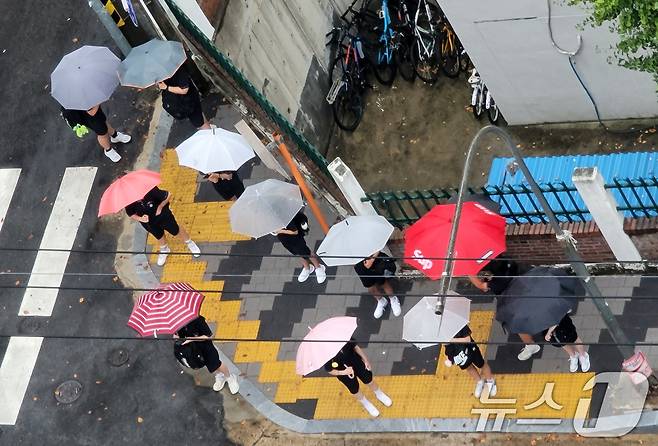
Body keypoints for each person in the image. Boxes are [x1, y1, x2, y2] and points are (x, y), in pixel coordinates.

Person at [469, 255, 541, 362]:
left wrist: (470, 274)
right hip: (521, 288)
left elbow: (482, 287)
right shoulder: (504, 262)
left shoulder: (496, 282)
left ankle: (531, 345)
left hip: (511, 300)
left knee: (516, 323)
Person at [125, 186, 201, 266]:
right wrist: (140, 218)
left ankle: (189, 242)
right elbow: (131, 214)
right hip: (149, 223)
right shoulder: (128, 200)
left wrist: (160, 207)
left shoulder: (150, 190)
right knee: (158, 235)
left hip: (163, 215)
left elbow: (168, 195)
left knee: (175, 230)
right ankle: (164, 249)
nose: (138, 199)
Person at [324, 339, 392, 417]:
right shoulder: (325, 353)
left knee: (369, 380)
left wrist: (365, 360)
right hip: (345, 374)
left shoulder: (344, 336)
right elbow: (329, 370)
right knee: (355, 389)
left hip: (357, 363)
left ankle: (379, 394)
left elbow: (356, 347)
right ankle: (366, 403)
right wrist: (343, 372)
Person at [174, 315, 239, 394]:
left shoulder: (198, 320)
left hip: (206, 347)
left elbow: (208, 336)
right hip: (195, 350)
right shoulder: (178, 324)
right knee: (209, 366)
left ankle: (229, 377)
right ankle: (220, 376)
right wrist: (176, 336)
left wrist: (190, 339)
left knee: (216, 364)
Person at [61, 104, 131, 162]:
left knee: (103, 122)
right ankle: (108, 150)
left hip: (90, 109)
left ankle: (114, 136)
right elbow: (91, 112)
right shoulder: (80, 97)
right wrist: (98, 101)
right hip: (87, 115)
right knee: (102, 132)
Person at [445, 325, 497, 398]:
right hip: (458, 353)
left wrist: (451, 340)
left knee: (481, 364)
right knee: (468, 367)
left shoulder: (460, 324)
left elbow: (467, 339)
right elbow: (446, 346)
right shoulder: (442, 330)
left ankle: (491, 381)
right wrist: (450, 360)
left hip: (470, 348)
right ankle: (479, 382)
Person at [273, 211, 326, 284]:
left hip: (295, 238)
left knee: (306, 252)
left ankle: (318, 267)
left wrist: (280, 231)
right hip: (285, 240)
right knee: (296, 253)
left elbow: (295, 231)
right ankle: (307, 268)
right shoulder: (272, 219)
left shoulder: (285, 217)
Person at [159, 65, 211, 130]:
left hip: (188, 102)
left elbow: (184, 89)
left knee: (200, 123)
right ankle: (208, 127)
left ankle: (210, 134)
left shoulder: (177, 70)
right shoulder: (163, 71)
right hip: (183, 101)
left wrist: (166, 87)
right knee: (199, 115)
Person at [354, 251, 401, 319]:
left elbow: (378, 246)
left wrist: (372, 259)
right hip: (360, 267)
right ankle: (382, 301)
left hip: (375, 261)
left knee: (383, 283)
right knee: (370, 288)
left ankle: (393, 299)